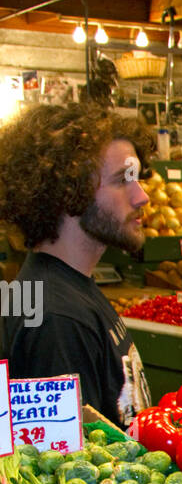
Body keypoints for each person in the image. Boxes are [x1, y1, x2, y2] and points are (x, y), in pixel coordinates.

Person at [0, 103, 154, 428]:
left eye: (137, 178)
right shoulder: (57, 320)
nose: (141, 196)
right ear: (68, 191)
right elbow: (69, 468)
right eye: (121, 180)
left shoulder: (64, 289)